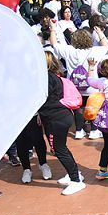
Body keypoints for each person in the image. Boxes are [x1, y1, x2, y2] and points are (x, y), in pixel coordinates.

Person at [39, 51, 86, 196]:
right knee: (62, 148)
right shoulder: (54, 77)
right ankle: (74, 173)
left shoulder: (45, 79)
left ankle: (76, 180)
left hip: (56, 119)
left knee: (58, 149)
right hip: (61, 116)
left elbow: (43, 99)